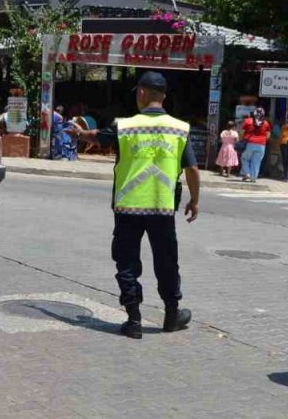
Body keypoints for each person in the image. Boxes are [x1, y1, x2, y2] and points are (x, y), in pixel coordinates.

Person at [77, 71, 200, 339]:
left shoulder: (125, 126)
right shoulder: (180, 128)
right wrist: (195, 200)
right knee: (167, 261)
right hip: (162, 207)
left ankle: (133, 320)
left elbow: (98, 137)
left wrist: (80, 132)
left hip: (128, 207)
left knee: (126, 262)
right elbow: (192, 169)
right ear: (163, 96)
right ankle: (171, 315)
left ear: (142, 93)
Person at [240, 108, 271, 182]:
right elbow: (268, 136)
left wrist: (241, 139)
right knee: (256, 162)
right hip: (261, 145)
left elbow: (241, 132)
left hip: (249, 143)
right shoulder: (266, 123)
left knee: (244, 158)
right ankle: (253, 178)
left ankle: (247, 173)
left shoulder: (248, 121)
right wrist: (262, 140)